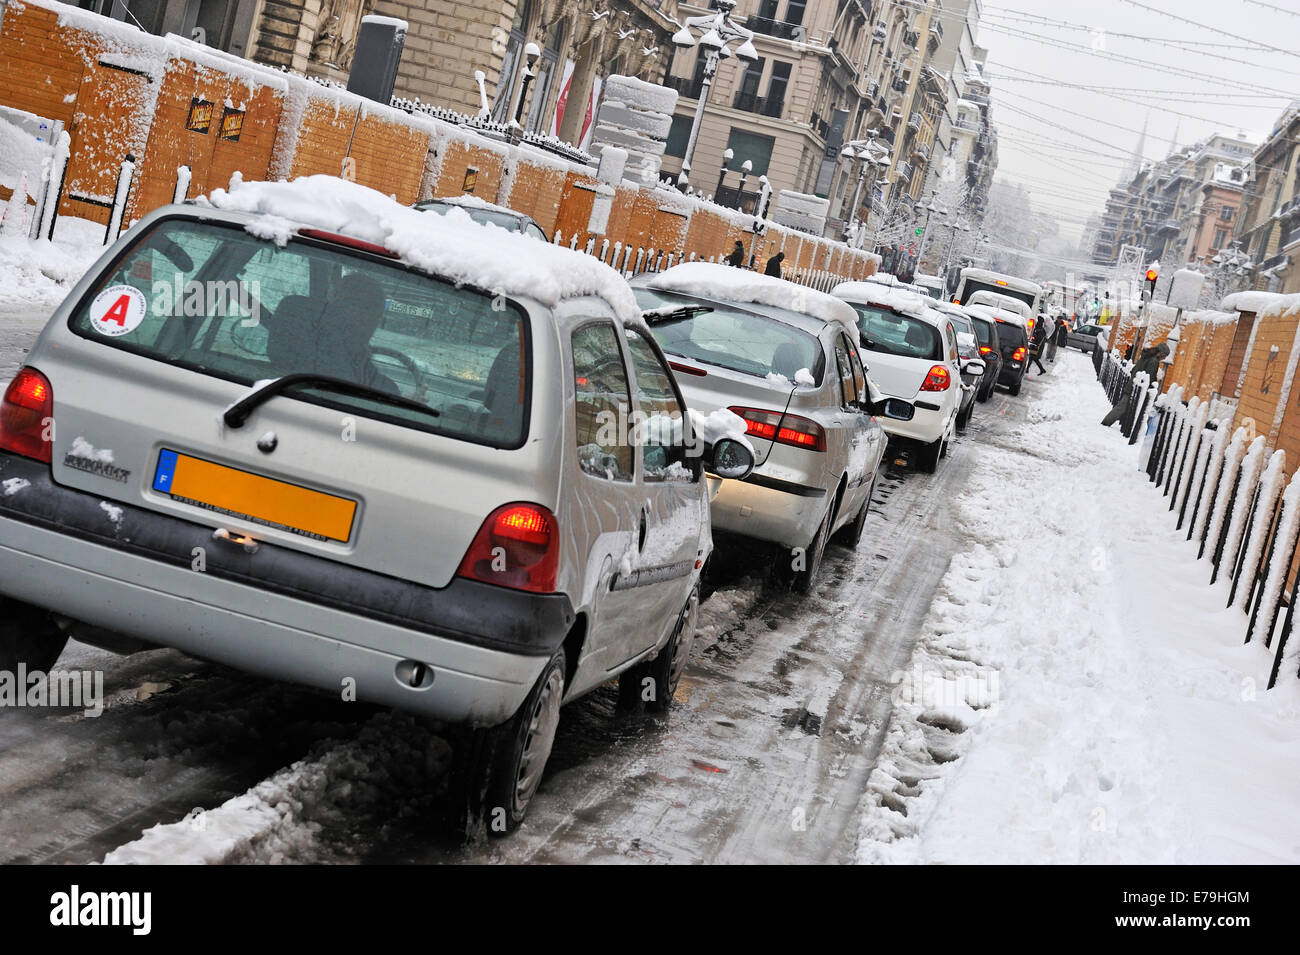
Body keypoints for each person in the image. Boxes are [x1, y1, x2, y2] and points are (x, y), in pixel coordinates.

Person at [1101, 341, 1169, 428]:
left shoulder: (1146, 356)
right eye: (1164, 356)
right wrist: (1153, 385)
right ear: (1160, 353)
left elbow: (1134, 370)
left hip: (1132, 384)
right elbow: (1149, 377)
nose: (1164, 358)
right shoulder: (1154, 361)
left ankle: (1120, 426)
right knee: (1121, 408)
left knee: (1124, 408)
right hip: (1137, 388)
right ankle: (1105, 423)